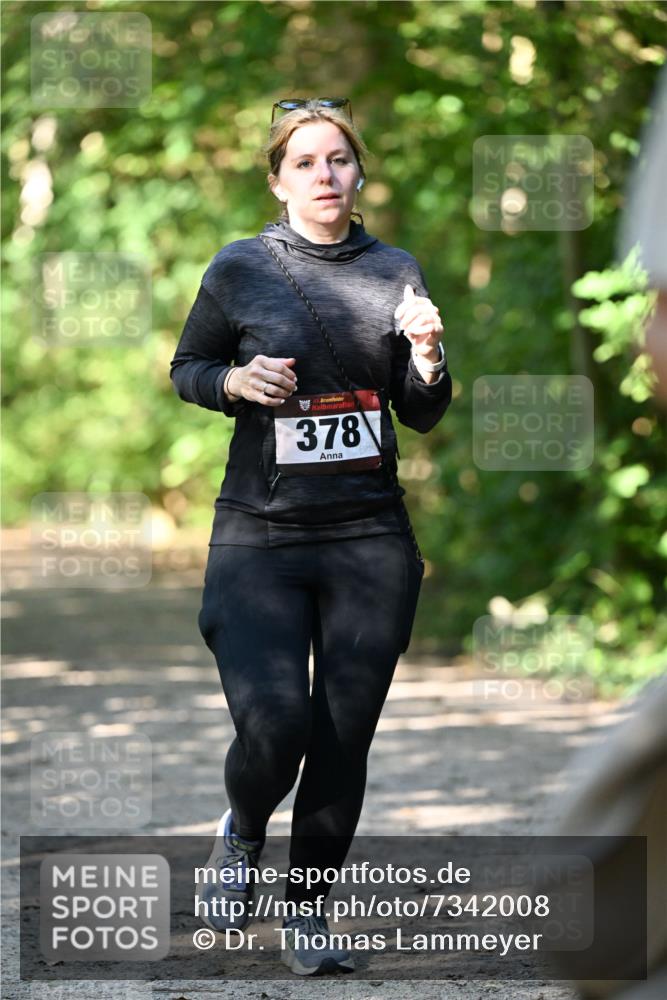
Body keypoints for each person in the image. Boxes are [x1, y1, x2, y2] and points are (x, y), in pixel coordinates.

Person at [169, 97, 453, 976]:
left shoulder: (395, 268)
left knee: (341, 736)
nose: (324, 176)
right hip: (259, 535)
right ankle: (242, 828)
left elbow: (422, 412)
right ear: (277, 180)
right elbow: (188, 368)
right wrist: (235, 380)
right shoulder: (239, 268)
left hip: (368, 537)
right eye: (305, 164)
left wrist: (430, 356)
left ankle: (308, 917)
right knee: (276, 723)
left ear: (358, 173)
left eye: (337, 161)